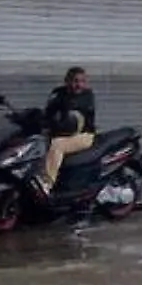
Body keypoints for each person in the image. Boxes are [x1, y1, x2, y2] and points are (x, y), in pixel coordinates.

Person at [39, 67, 96, 197]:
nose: (79, 85)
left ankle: (46, 184)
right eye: (75, 81)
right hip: (62, 133)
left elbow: (73, 118)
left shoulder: (86, 96)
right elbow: (49, 111)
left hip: (84, 135)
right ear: (66, 81)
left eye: (82, 81)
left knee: (57, 146)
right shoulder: (58, 93)